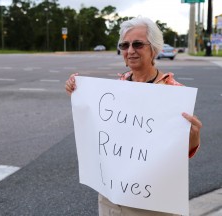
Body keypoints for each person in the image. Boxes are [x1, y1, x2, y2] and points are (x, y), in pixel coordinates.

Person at [65, 17, 202, 216]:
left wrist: (193, 137)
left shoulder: (173, 93)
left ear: (154, 49)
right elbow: (95, 128)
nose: (130, 51)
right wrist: (78, 91)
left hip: (152, 203)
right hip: (113, 197)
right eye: (124, 45)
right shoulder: (114, 89)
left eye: (137, 44)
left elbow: (180, 152)